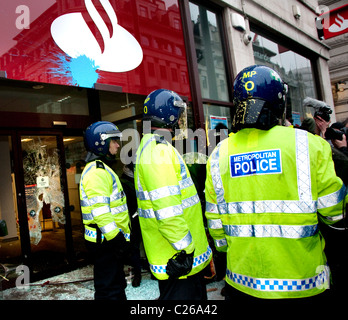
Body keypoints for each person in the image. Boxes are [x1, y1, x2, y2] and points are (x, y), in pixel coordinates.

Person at [205, 65, 347, 299]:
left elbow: (217, 227)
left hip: (242, 282)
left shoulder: (219, 155)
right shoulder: (308, 145)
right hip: (303, 282)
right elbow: (335, 215)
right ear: (279, 102)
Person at [134, 88, 212, 300]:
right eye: (178, 115)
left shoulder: (152, 146)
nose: (180, 121)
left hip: (173, 254)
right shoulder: (159, 150)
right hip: (177, 259)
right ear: (169, 116)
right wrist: (186, 250)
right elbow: (168, 211)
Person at [80, 121, 131, 300]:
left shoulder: (100, 169)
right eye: (114, 141)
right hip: (106, 243)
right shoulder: (97, 172)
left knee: (114, 286)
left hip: (106, 242)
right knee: (110, 292)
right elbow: (101, 213)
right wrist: (117, 240)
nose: (118, 145)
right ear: (100, 143)